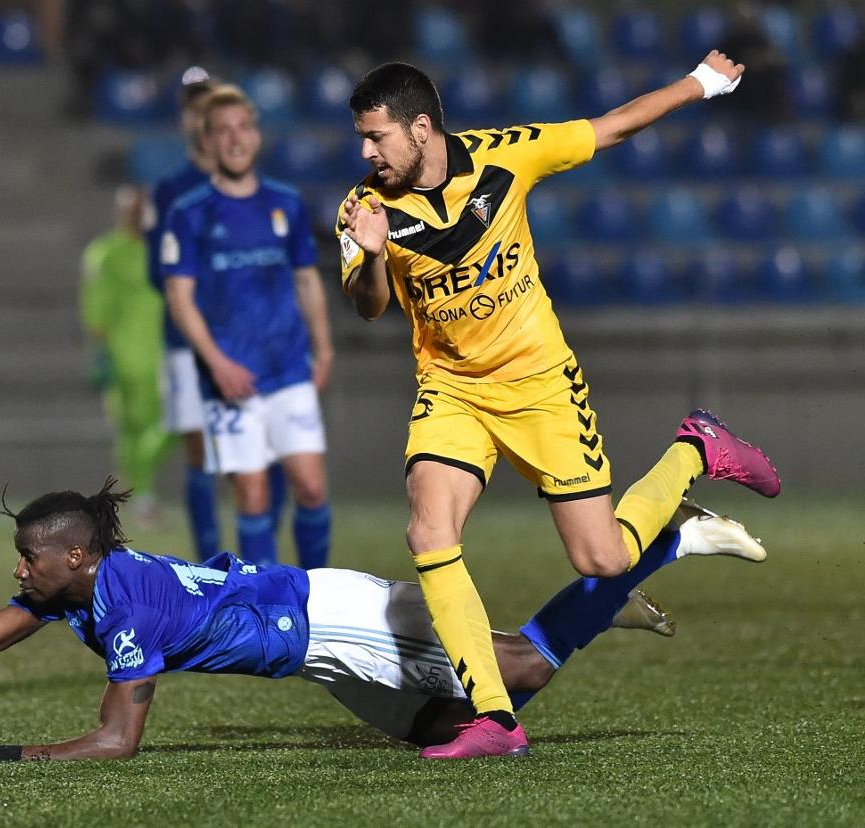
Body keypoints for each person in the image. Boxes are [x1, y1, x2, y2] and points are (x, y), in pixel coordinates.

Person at [336, 52, 781, 758]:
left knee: (602, 558)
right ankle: (494, 719)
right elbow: (367, 309)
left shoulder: (505, 159)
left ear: (421, 128)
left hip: (540, 385)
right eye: (361, 138)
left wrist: (699, 83)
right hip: (453, 389)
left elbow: (608, 130)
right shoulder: (365, 208)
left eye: (376, 136)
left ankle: (696, 446)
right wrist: (371, 256)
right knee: (429, 533)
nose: (365, 151)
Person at [0, 479, 768, 762]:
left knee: (522, 679)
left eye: (29, 558)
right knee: (435, 732)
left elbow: (115, 742)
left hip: (332, 620)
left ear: (74, 559)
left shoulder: (122, 605)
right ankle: (610, 588)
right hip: (316, 654)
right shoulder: (80, 588)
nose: (18, 571)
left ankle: (664, 540)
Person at [162, 84, 334, 569]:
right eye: (222, 131)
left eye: (243, 127)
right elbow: (180, 298)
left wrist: (323, 351)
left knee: (311, 486)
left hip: (287, 368)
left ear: (257, 136)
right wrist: (217, 364)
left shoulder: (287, 203)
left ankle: (316, 596)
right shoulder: (190, 212)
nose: (234, 139)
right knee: (253, 496)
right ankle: (267, 606)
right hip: (230, 381)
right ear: (208, 143)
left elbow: (307, 281)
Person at [147, 67, 289, 561]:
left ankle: (261, 561)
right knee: (202, 455)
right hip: (191, 346)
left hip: (258, 345)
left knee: (272, 454)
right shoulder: (172, 192)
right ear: (192, 122)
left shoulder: (260, 190)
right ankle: (210, 560)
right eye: (196, 106)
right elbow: (157, 271)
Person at [80, 184, 172, 519]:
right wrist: (101, 354)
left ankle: (136, 488)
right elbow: (96, 308)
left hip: (161, 355)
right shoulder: (105, 254)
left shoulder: (161, 250)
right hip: (124, 358)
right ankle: (141, 497)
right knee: (130, 430)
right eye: (130, 210)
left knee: (168, 426)